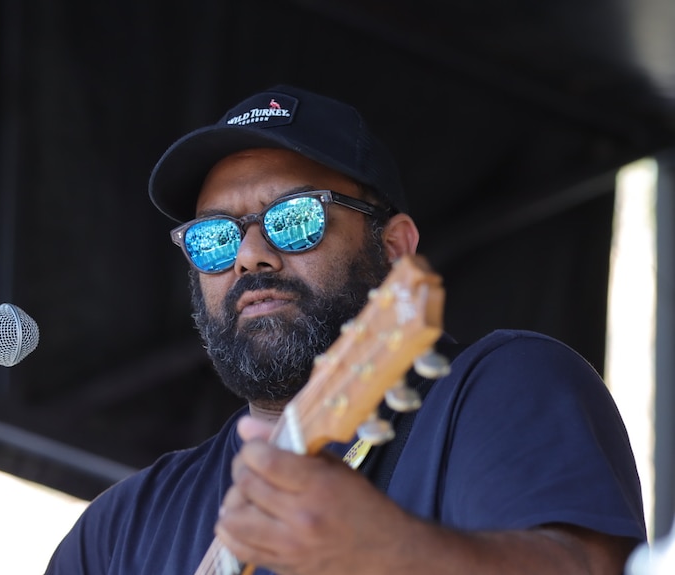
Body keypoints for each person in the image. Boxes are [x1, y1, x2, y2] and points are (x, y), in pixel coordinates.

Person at [45, 85, 646, 574]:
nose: (250, 255)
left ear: (396, 250)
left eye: (295, 218)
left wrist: (392, 555)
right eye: (214, 238)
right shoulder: (120, 531)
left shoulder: (501, 388)